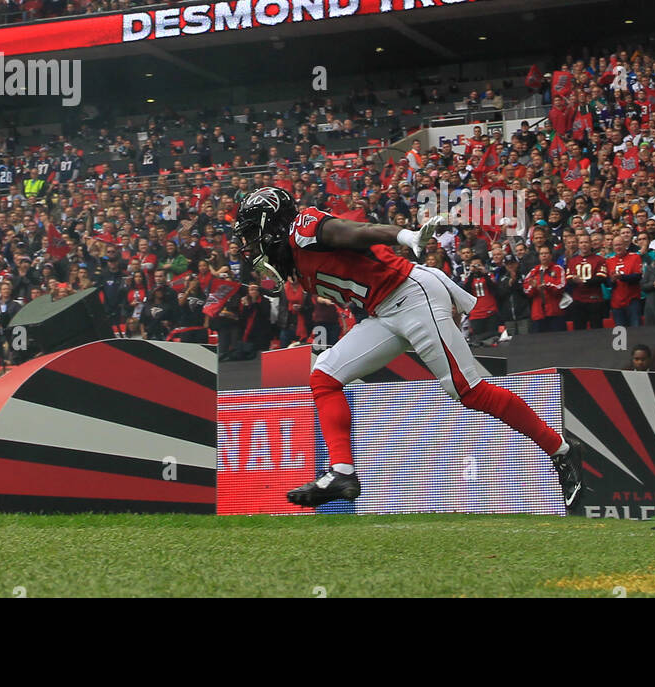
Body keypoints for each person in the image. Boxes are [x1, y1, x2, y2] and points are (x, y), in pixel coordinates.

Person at [235, 188, 583, 509]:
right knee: (324, 375)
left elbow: (357, 232)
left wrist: (406, 236)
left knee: (469, 390)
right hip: (384, 311)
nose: (250, 244)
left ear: (272, 224)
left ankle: (562, 450)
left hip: (411, 295)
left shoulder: (304, 228)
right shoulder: (293, 253)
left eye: (252, 233)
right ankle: (342, 471)